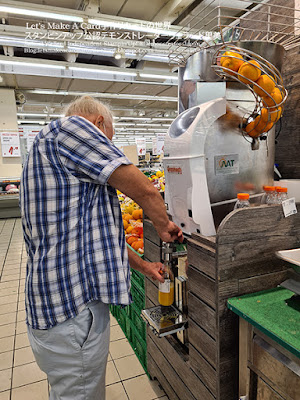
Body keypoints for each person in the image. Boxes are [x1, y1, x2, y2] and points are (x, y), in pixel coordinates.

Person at [20, 95, 183, 400]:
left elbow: (97, 238)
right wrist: (164, 225)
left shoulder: (48, 149)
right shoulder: (71, 129)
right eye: (107, 140)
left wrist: (145, 266)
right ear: (97, 125)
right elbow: (144, 187)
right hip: (72, 315)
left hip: (55, 313)